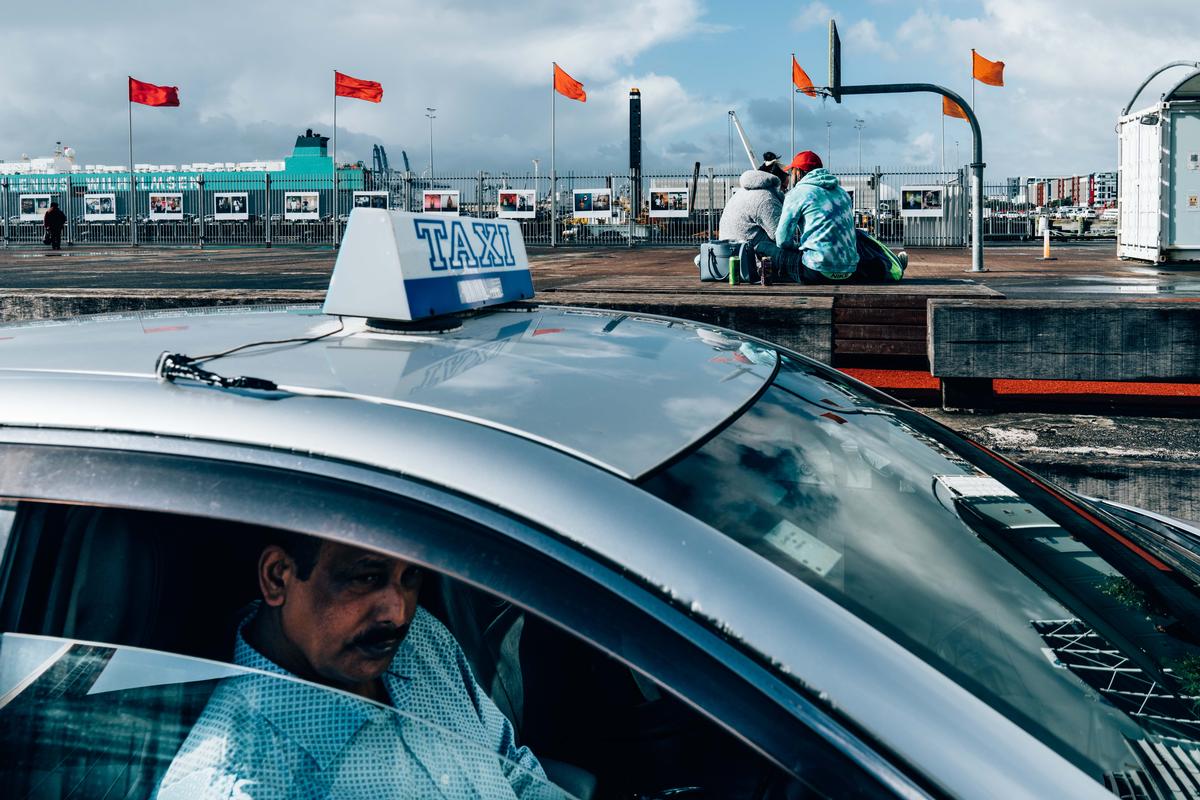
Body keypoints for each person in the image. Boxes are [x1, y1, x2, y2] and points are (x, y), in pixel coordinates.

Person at [156, 534, 559, 799]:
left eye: (411, 576)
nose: (398, 613)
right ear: (278, 578)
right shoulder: (232, 786)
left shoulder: (420, 640)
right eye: (366, 578)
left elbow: (514, 768)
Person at [775, 151, 859, 283]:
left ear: (797, 172)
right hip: (849, 271)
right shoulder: (843, 193)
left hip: (816, 271)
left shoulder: (797, 193)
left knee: (764, 246)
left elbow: (782, 240)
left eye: (791, 172)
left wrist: (797, 246)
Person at [716, 169, 803, 280]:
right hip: (752, 264)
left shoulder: (741, 192)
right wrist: (801, 247)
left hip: (727, 257)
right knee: (802, 263)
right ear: (776, 184)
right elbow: (781, 238)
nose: (785, 192)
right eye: (784, 188)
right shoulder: (766, 199)